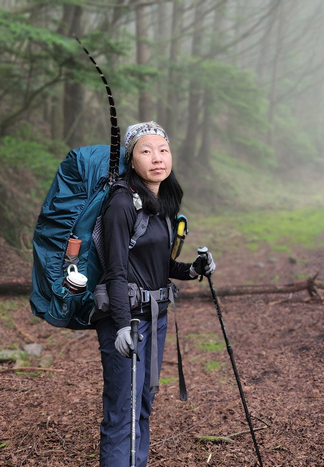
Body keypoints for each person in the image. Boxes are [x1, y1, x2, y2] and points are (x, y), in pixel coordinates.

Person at [94, 121, 215, 466]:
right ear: (132, 161)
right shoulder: (121, 204)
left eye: (163, 150)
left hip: (155, 316)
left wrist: (192, 269)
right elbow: (115, 270)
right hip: (126, 320)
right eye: (146, 151)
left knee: (144, 401)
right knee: (122, 410)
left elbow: (159, 265)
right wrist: (119, 326)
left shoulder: (162, 202)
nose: (157, 158)